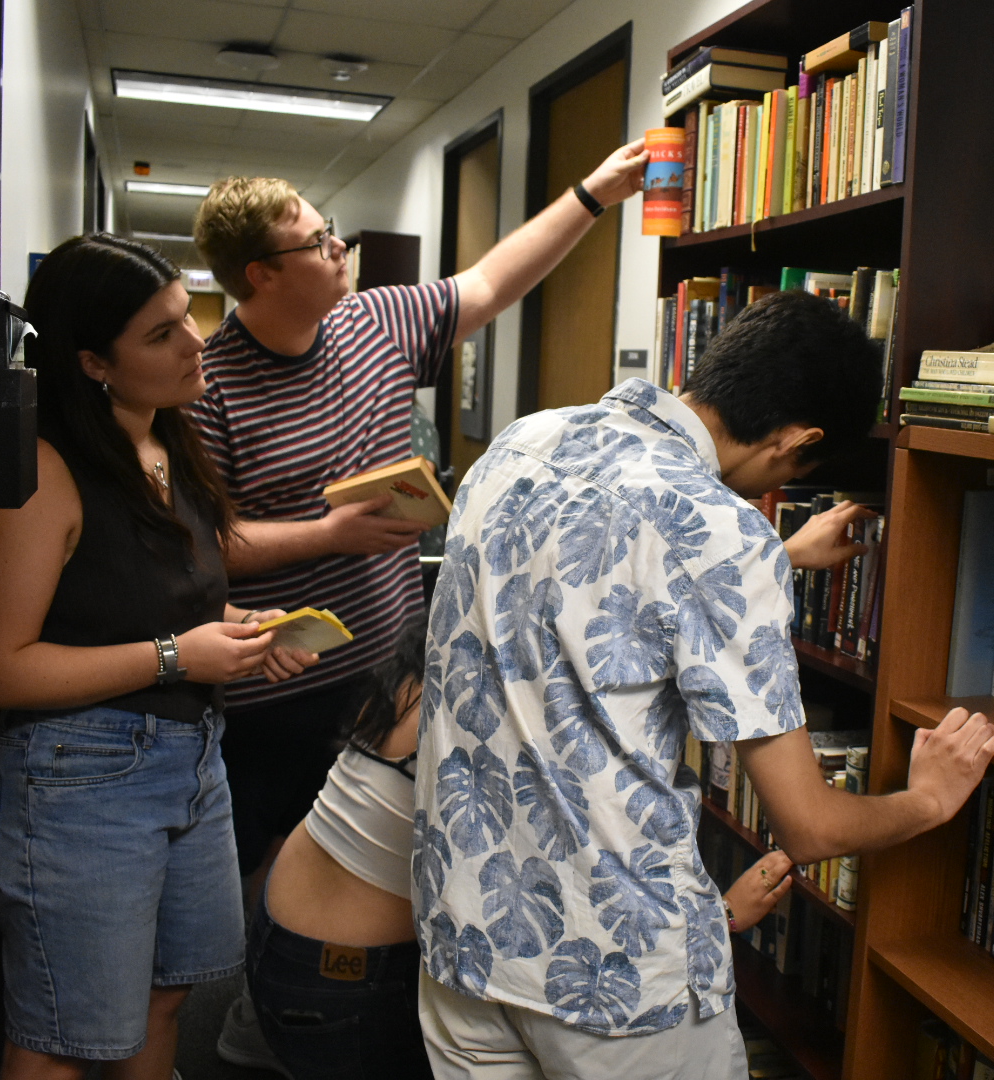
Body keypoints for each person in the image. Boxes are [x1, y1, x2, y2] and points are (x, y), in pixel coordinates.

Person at [413, 289, 994, 1078]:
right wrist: (929, 800)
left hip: (465, 930)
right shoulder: (723, 535)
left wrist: (777, 560)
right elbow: (811, 827)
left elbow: (580, 602)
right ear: (800, 438)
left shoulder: (525, 442)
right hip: (613, 973)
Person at [188, 139, 649, 1065]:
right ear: (259, 276)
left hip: (386, 688)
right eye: (318, 243)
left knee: (390, 890)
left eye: (333, 235)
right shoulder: (211, 387)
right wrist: (329, 534)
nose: (338, 253)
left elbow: (488, 283)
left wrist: (592, 195)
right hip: (270, 697)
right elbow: (205, 545)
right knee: (264, 895)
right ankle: (250, 1042)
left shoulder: (377, 323)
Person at [0, 235, 316, 1080]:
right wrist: (175, 657)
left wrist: (235, 633)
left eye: (184, 318)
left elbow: (143, 601)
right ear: (92, 363)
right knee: (65, 1040)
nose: (196, 343)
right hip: (80, 779)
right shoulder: (42, 471)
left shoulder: (167, 446)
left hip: (190, 760)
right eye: (160, 336)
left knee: (166, 1000)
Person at [250, 622, 797, 1080]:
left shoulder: (435, 662)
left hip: (281, 940)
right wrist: (719, 917)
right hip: (347, 989)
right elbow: (581, 891)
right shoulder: (495, 722)